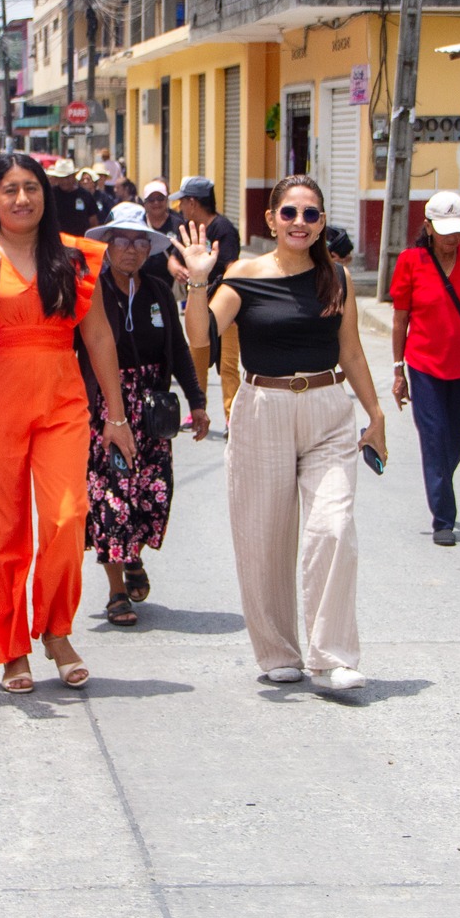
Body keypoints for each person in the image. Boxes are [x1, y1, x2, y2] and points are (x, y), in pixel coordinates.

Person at [0, 155, 135, 692]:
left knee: (67, 517)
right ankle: (11, 648)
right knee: (0, 531)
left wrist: (116, 416)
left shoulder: (73, 256)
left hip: (62, 401)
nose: (22, 199)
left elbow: (98, 337)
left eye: (31, 188)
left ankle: (55, 629)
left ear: (46, 194)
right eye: (10, 190)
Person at [175, 175, 385, 691]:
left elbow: (352, 351)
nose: (299, 222)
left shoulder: (336, 278)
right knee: (263, 536)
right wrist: (199, 282)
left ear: (322, 223)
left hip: (328, 409)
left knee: (333, 527)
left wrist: (376, 415)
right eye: (289, 212)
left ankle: (331, 656)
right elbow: (199, 336)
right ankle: (277, 651)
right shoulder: (244, 276)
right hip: (262, 409)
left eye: (311, 214)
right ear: (271, 220)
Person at [80, 202, 211, 626]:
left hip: (152, 411)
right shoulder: (92, 290)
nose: (131, 249)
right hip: (107, 409)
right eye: (122, 240)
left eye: (140, 242)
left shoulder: (157, 290)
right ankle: (116, 590)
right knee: (111, 498)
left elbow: (178, 350)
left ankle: (133, 556)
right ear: (107, 245)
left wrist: (197, 401)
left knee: (152, 495)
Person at [387, 190, 460, 546]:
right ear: (428, 227)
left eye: (458, 230)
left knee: (459, 438)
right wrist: (398, 369)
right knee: (434, 439)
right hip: (424, 366)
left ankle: (438, 480)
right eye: (445, 230)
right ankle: (443, 518)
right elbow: (400, 319)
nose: (453, 238)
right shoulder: (411, 261)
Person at [176, 175, 243, 420]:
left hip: (225, 309)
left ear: (193, 203)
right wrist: (177, 268)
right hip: (199, 308)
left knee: (227, 365)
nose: (180, 208)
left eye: (182, 202)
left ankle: (231, 417)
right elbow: (174, 256)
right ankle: (198, 412)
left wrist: (232, 306)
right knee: (197, 361)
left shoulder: (223, 229)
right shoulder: (189, 229)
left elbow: (232, 268)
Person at [139, 179, 180, 284]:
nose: (156, 203)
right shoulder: (139, 224)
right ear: (145, 203)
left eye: (160, 198)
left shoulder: (179, 225)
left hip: (170, 285)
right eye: (151, 200)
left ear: (166, 200)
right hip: (143, 282)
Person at [49, 157, 101, 236]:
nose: (64, 181)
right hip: (56, 240)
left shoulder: (85, 195)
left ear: (73, 176)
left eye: (67, 177)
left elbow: (93, 222)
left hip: (80, 241)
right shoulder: (50, 195)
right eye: (61, 178)